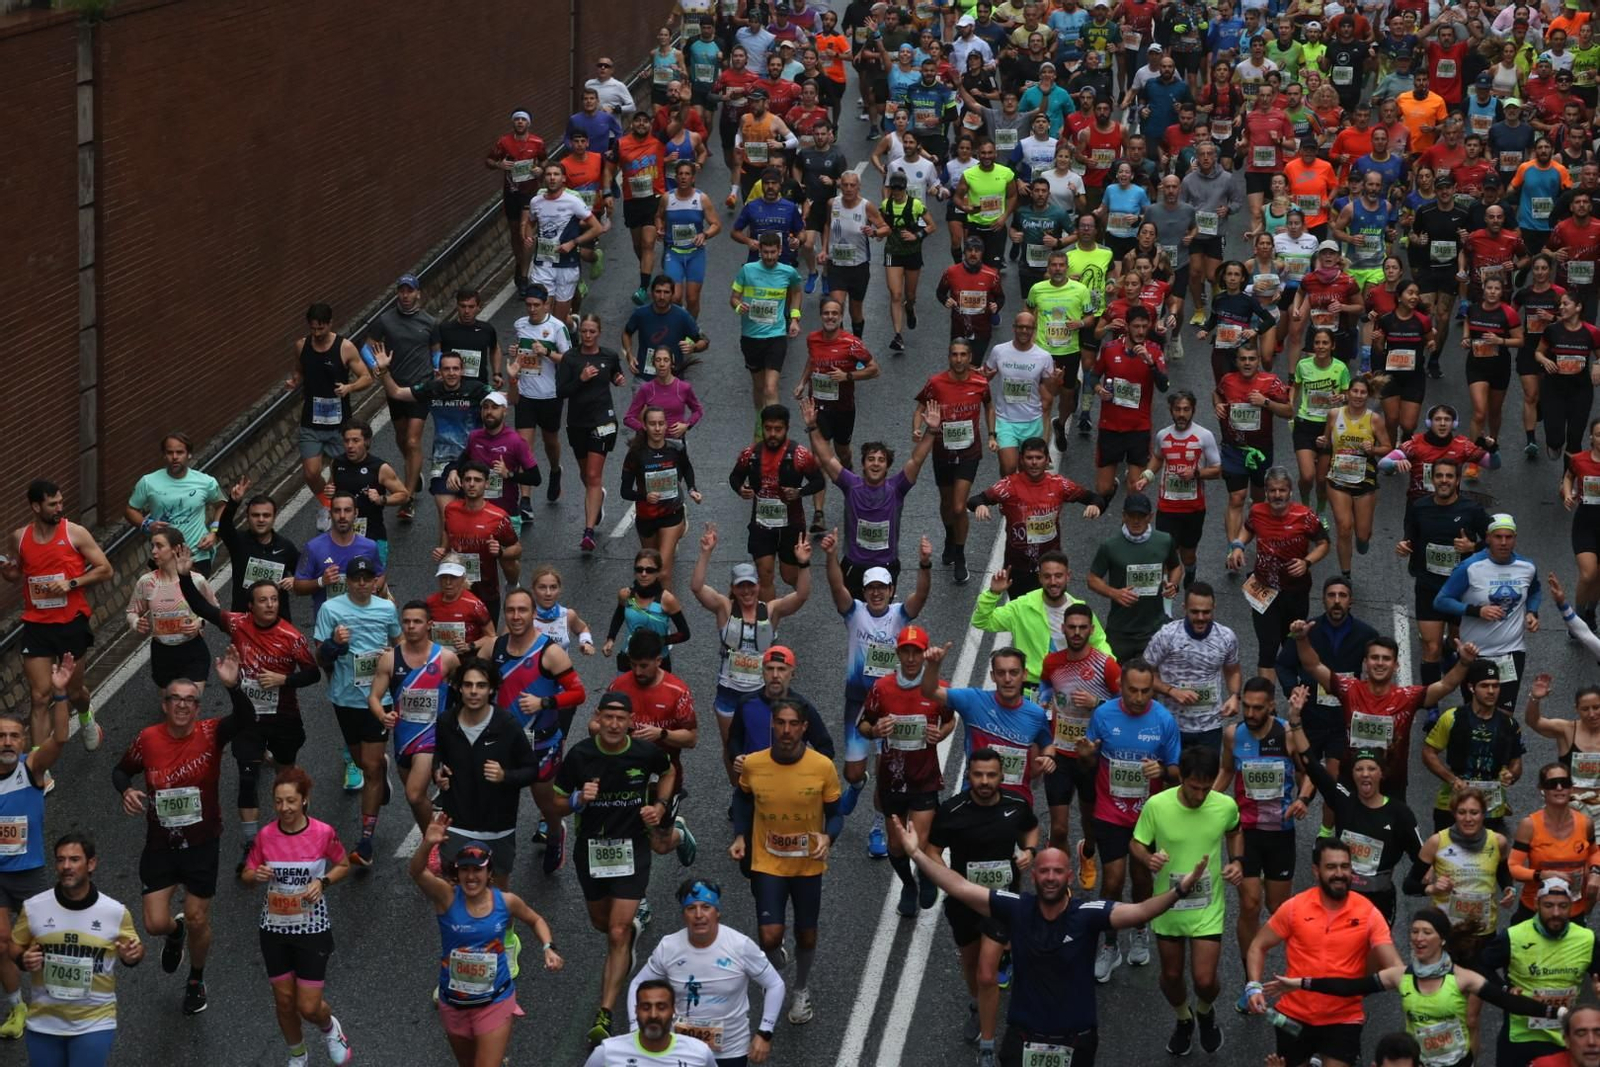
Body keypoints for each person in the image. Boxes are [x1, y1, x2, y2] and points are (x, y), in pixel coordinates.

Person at [897, 810, 1208, 1067]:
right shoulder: (1016, 908)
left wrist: (1179, 890)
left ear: (1069, 877)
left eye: (1057, 872)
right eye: (1044, 871)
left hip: (1076, 1039)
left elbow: (1140, 911)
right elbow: (958, 886)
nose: (1050, 877)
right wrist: (915, 853)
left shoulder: (1087, 914)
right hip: (1023, 1038)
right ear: (1033, 876)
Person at [113, 646, 257, 1016]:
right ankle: (174, 934)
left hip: (202, 843)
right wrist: (125, 791)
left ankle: (196, 978)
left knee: (196, 917)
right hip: (161, 844)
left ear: (197, 707)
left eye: (189, 700)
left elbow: (246, 718)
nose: (181, 705)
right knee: (154, 923)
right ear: (164, 705)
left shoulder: (211, 733)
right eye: (174, 699)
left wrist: (233, 686)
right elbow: (120, 771)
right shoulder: (147, 739)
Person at [1264, 904, 1566, 1067]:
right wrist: (1300, 983)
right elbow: (1349, 987)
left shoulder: (1463, 978)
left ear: (1442, 939)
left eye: (1427, 932)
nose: (1418, 938)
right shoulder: (1400, 976)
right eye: (1414, 932)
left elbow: (1508, 1002)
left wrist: (1561, 1014)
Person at [550, 689, 682, 1046]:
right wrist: (577, 799)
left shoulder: (644, 752)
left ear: (630, 722)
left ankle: (604, 1014)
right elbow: (555, 803)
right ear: (598, 717)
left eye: (620, 718)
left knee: (617, 932)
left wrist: (660, 806)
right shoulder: (581, 755)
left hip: (632, 847)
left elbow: (668, 771)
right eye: (607, 717)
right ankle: (632, 929)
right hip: (591, 850)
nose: (613, 724)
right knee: (602, 923)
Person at [176, 558, 319, 875]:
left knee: (286, 777)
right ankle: (252, 844)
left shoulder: (292, 637)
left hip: (284, 719)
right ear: (250, 607)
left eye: (274, 600)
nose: (270, 605)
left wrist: (285, 679)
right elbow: (202, 608)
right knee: (247, 778)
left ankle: (294, 827)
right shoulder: (237, 624)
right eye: (263, 601)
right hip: (247, 718)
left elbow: (313, 674)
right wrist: (184, 577)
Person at [410, 813, 561, 1067]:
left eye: (477, 870)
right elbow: (415, 872)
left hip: (495, 1001)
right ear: (458, 873)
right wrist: (427, 843)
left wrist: (548, 947)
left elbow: (535, 919)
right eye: (465, 869)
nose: (471, 876)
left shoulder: (506, 901)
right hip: (454, 1002)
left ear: (489, 872)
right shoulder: (446, 897)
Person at [729, 698, 843, 1028]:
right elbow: (742, 799)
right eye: (780, 723)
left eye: (793, 724)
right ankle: (776, 972)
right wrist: (740, 836)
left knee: (806, 935)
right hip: (767, 861)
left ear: (804, 728)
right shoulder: (754, 764)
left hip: (807, 865)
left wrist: (828, 837)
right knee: (769, 937)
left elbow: (836, 814)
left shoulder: (822, 767)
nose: (786, 730)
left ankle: (801, 989)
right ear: (772, 725)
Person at [1244, 839, 1404, 1067]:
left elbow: (1394, 966)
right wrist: (1253, 986)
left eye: (1345, 866)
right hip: (1293, 1015)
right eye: (1331, 867)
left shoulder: (1368, 913)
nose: (1339, 874)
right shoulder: (1294, 907)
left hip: (1344, 1018)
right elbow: (1257, 946)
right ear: (1316, 871)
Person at [925, 748, 1042, 1061]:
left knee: (988, 974)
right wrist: (950, 879)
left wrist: (1030, 851)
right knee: (971, 962)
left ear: (1002, 776)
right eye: (978, 775)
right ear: (969, 776)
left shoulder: (1016, 805)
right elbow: (932, 850)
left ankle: (988, 1046)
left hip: (1002, 901)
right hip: (964, 901)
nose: (985, 781)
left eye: (991, 775)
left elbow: (1031, 827)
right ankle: (978, 1003)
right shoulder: (952, 810)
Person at [1074, 656, 1182, 984]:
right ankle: (1109, 944)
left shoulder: (1164, 721)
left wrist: (1162, 771)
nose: (1138, 697)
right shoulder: (1104, 715)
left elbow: (1177, 772)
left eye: (1146, 691)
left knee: (1142, 878)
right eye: (1132, 690)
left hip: (1148, 816)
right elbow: (1089, 760)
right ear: (1120, 686)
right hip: (1110, 811)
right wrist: (1086, 756)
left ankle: (1138, 928)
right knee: (1112, 879)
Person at [1130, 744, 1242, 1055]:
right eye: (1194, 787)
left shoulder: (1224, 806)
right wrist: (1148, 858)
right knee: (1170, 976)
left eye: (1206, 788)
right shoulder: (1157, 805)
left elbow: (1235, 831)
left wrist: (1237, 861)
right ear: (1182, 778)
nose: (1200, 795)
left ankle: (1205, 1011)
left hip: (1207, 906)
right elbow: (1137, 843)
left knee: (1205, 980)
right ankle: (1183, 1018)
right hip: (1168, 904)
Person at [825, 530, 932, 852]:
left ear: (891, 590)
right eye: (871, 588)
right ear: (864, 591)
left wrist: (925, 564)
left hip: (891, 703)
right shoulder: (854, 612)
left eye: (882, 588)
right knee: (852, 771)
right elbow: (836, 587)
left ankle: (876, 829)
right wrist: (830, 556)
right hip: (858, 702)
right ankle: (858, 785)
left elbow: (921, 596)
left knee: (887, 772)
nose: (876, 593)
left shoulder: (900, 614)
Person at [238, 768, 353, 1067]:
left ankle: (330, 1028)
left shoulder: (323, 833)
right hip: (274, 928)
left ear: (304, 800)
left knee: (309, 1006)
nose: (284, 808)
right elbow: (247, 874)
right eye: (278, 801)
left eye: (291, 800)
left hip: (312, 927)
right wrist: (256, 874)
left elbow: (343, 864)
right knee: (285, 1001)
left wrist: (323, 882)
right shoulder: (266, 836)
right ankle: (297, 1054)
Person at [474, 588, 586, 876]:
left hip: (542, 742)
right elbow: (471, 680)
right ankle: (494, 854)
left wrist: (544, 702)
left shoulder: (551, 653)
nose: (516, 616)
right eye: (510, 610)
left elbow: (578, 693)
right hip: (503, 742)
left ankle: (555, 833)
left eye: (522, 610)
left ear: (533, 614)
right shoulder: (493, 648)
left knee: (545, 801)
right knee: (496, 796)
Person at [8, 833, 142, 1067]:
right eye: (61, 860)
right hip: (44, 1021)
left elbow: (136, 950)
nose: (66, 866)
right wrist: (22, 958)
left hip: (94, 1020)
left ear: (91, 864)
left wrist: (133, 955)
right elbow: (13, 945)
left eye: (74, 859)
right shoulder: (34, 908)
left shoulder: (115, 912)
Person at [4, 480, 110, 764]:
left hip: (70, 623)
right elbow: (15, 575)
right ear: (35, 506)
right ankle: (38, 766)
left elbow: (105, 569)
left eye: (60, 502)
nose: (59, 508)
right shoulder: (19, 538)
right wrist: (7, 571)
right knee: (40, 696)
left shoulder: (74, 533)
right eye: (52, 504)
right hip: (36, 625)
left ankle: (86, 716)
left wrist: (71, 583)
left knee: (74, 692)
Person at [1217, 678, 1307, 1012]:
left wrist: (1303, 799)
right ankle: (1251, 982)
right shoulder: (1232, 735)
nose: (1251, 713)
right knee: (1250, 904)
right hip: (1246, 832)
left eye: (1258, 708)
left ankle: (1294, 976)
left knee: (1278, 907)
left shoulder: (1287, 734)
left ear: (1271, 706)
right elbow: (1226, 771)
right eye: (1247, 707)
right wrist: (1203, 802)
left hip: (1281, 832)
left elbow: (1307, 773)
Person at [626, 879, 785, 1066]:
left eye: (706, 907)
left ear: (717, 912)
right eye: (691, 908)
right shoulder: (668, 947)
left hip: (730, 1050)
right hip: (681, 1048)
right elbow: (638, 984)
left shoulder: (740, 946)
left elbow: (775, 984)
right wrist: (635, 1027)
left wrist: (765, 1032)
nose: (699, 915)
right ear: (683, 915)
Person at [0, 658, 72, 1041]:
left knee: (46, 944)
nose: (7, 742)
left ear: (24, 741)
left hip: (29, 873)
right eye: (1, 736)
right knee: (1, 943)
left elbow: (59, 739)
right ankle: (17, 1008)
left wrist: (59, 694)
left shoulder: (31, 768)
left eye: (14, 736)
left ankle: (57, 1002)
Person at [800, 395, 935, 596]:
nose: (875, 463)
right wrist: (812, 426)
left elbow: (916, 460)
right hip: (854, 565)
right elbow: (827, 458)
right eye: (871, 459)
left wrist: (931, 431)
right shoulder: (851, 485)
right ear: (863, 464)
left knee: (882, 613)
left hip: (886, 566)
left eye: (881, 460)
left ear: (887, 467)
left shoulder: (897, 488)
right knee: (851, 612)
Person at [1476, 877, 1600, 1067]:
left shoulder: (1586, 939)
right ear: (1536, 904)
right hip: (1521, 1037)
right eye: (1548, 905)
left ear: (1571, 906)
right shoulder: (1514, 936)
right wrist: (1504, 989)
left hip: (1563, 1037)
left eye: (1563, 906)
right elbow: (1481, 966)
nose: (1556, 913)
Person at [1395, 457, 1491, 705]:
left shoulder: (1471, 510)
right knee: (1431, 647)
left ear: (1457, 480)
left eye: (1449, 476)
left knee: (1457, 643)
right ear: (1432, 479)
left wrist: (1473, 547)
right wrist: (1405, 545)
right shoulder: (1419, 507)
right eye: (1439, 476)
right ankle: (1431, 705)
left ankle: (1452, 656)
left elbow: (1497, 539)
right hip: (1429, 585)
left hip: (1462, 589)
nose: (1444, 481)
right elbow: (1410, 535)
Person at [1226, 466, 1331, 683]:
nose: (1277, 495)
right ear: (1266, 491)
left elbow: (1324, 543)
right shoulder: (1257, 512)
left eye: (1282, 490)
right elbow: (1248, 529)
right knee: (1267, 648)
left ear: (1290, 491)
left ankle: (1295, 693)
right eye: (1272, 490)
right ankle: (1266, 700)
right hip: (1264, 588)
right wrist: (1238, 546)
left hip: (1296, 591)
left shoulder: (1305, 516)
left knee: (1292, 647)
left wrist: (1307, 562)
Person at [968, 436, 1105, 597]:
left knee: (1051, 609)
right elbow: (975, 500)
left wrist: (1095, 505)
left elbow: (1095, 498)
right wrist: (980, 505)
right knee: (1020, 609)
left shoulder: (1059, 485)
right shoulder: (1009, 485)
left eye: (1039, 458)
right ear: (1021, 460)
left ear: (1047, 460)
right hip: (1018, 565)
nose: (1034, 462)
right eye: (1029, 458)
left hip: (1050, 566)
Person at [366, 602, 460, 835]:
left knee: (414, 794)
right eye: (406, 621)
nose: (410, 626)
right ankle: (432, 840)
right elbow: (374, 697)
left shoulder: (447, 658)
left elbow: (465, 694)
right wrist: (382, 715)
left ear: (429, 625)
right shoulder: (390, 659)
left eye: (417, 621)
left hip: (431, 737)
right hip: (403, 738)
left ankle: (436, 839)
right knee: (415, 800)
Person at [1434, 513, 1542, 712]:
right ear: (1488, 538)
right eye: (1498, 537)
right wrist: (1477, 611)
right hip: (1475, 653)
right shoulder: (1470, 567)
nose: (1504, 542)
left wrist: (1532, 612)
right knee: (1477, 714)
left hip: (1511, 652)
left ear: (1515, 538)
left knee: (1504, 715)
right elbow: (1441, 601)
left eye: (1509, 537)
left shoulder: (1527, 567)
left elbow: (1534, 590)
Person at [793, 302, 881, 535]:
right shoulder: (812, 339)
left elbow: (874, 369)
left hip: (843, 409)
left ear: (841, 317)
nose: (830, 317)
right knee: (819, 459)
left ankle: (850, 479)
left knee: (842, 453)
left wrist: (848, 376)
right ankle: (818, 513)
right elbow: (812, 360)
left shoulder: (852, 343)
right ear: (821, 316)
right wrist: (802, 383)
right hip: (817, 408)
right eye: (826, 313)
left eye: (834, 313)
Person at [971, 551, 1113, 688]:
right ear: (1039, 577)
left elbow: (1099, 643)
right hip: (1031, 688)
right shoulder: (1022, 607)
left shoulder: (1080, 611)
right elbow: (982, 621)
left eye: (1058, 576)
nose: (1053, 582)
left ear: (1068, 576)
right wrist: (993, 593)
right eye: (1047, 576)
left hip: (1070, 688)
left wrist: (1109, 671)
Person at [729, 404, 825, 602]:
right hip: (761, 524)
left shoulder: (800, 455)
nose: (772, 434)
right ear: (763, 428)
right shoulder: (750, 454)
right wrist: (740, 489)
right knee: (765, 574)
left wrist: (799, 492)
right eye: (768, 428)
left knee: (789, 576)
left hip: (791, 524)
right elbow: (735, 477)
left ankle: (800, 586)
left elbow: (819, 481)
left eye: (778, 429)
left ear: (786, 428)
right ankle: (769, 618)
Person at [915, 340, 991, 583]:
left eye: (963, 355)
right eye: (954, 355)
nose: (959, 359)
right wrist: (917, 428)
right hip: (943, 452)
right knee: (947, 503)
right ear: (949, 357)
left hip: (969, 452)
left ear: (970, 357)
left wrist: (992, 434)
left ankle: (960, 554)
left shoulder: (980, 382)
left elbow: (989, 405)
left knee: (959, 507)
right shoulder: (936, 383)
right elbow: (921, 407)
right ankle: (950, 536)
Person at [287, 304, 371, 520]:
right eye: (313, 329)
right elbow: (299, 370)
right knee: (311, 473)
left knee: (341, 473)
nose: (317, 333)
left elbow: (366, 377)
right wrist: (295, 381)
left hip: (339, 424)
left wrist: (349, 387)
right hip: (311, 421)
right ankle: (327, 505)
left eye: (321, 329)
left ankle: (341, 509)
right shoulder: (301, 346)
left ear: (330, 323)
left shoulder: (345, 347)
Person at [1421, 660, 1526, 832]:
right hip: (1451, 805)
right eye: (1484, 686)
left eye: (1495, 686)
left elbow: (1516, 762)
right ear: (1471, 688)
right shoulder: (1452, 717)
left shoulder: (1509, 724)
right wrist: (1452, 779)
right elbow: (1428, 752)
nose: (1491, 691)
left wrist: (1511, 775)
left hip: (1491, 809)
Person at [365, 275, 438, 521]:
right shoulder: (385, 320)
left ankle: (407, 498)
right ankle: (413, 470)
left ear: (418, 293)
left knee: (413, 440)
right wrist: (375, 366)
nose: (405, 295)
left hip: (421, 387)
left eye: (410, 291)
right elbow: (367, 346)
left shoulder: (429, 322)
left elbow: (436, 351)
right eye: (402, 291)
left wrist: (438, 369)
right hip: (395, 387)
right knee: (401, 437)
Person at [556, 314, 628, 553]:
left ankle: (588, 532)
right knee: (586, 474)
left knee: (593, 474)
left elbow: (615, 373)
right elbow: (561, 391)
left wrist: (618, 378)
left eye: (592, 331)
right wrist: (581, 379)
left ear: (599, 332)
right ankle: (598, 498)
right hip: (578, 422)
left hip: (603, 421)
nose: (587, 335)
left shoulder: (609, 356)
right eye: (584, 331)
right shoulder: (570, 358)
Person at [1144, 583, 1243, 749]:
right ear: (1184, 608)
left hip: (1211, 726)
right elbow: (1143, 674)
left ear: (1214, 608)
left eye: (1206, 612)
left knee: (1208, 767)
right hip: (1172, 725)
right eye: (1195, 612)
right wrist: (1171, 691)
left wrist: (1234, 696)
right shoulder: (1167, 635)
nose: (1201, 617)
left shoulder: (1226, 637)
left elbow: (1233, 671)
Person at [1086, 492, 1182, 664]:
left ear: (1150, 517)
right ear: (1124, 516)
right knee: (1114, 676)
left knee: (1150, 677)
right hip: (1120, 629)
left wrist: (1173, 584)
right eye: (1131, 516)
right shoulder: (1110, 546)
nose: (1136, 521)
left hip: (1153, 627)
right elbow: (1092, 579)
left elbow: (1175, 566)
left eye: (1141, 516)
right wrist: (1114, 593)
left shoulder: (1164, 541)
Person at [127, 528, 215, 697]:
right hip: (162, 654)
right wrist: (136, 622)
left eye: (159, 546)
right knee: (171, 705)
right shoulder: (146, 582)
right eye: (152, 546)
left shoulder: (196, 580)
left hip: (192, 650)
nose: (154, 551)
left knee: (189, 701)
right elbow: (132, 612)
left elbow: (214, 610)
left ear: (176, 549)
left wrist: (199, 622)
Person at [619, 411, 702, 590]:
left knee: (663, 572)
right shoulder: (636, 454)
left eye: (661, 423)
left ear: (666, 425)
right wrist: (644, 496)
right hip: (646, 517)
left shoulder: (676, 448)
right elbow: (624, 491)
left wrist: (692, 489)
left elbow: (687, 469)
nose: (657, 428)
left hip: (671, 513)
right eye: (652, 424)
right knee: (651, 572)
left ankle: (666, 608)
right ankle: (652, 604)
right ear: (645, 426)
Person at [510, 284, 574, 512]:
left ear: (546, 304)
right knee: (523, 446)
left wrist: (546, 352)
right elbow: (520, 354)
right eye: (528, 305)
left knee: (550, 442)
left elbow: (570, 360)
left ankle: (555, 470)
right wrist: (515, 353)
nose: (532, 309)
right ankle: (525, 501)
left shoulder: (557, 328)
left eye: (536, 305)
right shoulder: (520, 325)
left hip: (549, 395)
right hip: (526, 395)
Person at [1509, 762, 1599, 924]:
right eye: (1552, 784)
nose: (1559, 788)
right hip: (1534, 910)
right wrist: (1541, 875)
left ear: (1571, 788)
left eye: (1564, 783)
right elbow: (1513, 867)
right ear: (1542, 789)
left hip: (1573, 909)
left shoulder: (1585, 823)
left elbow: (1594, 853)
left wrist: (1595, 873)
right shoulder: (1529, 825)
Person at [126, 433, 226, 577]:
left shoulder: (206, 482)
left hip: (197, 556)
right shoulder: (148, 482)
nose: (174, 457)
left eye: (179, 452)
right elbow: (130, 510)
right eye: (169, 452)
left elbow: (222, 505)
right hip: (162, 559)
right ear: (164, 455)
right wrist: (146, 525)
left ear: (189, 454)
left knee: (195, 592)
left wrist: (214, 533)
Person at [731, 232, 805, 414]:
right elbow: (733, 298)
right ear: (760, 251)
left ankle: (774, 426)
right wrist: (739, 307)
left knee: (770, 387)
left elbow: (796, 292)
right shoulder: (747, 270)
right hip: (750, 336)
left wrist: (794, 319)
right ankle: (759, 422)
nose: (769, 257)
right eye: (765, 252)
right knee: (759, 386)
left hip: (776, 336)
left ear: (780, 251)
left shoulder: (788, 272)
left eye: (773, 252)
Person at [325, 418, 407, 573]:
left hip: (372, 535)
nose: (350, 446)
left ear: (366, 442)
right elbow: (332, 488)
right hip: (341, 534)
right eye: (346, 441)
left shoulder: (380, 468)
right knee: (342, 579)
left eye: (355, 441)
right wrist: (329, 492)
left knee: (374, 580)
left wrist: (382, 499)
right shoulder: (337, 463)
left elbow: (403, 495)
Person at [588, 980, 718, 1067]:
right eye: (646, 1007)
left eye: (661, 1007)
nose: (653, 1015)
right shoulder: (606, 1052)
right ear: (636, 1011)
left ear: (673, 1010)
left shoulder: (699, 1053)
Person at [487, 110, 547, 288]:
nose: (520, 122)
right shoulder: (503, 142)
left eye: (523, 119)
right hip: (511, 193)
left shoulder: (537, 142)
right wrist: (499, 164)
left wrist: (540, 169)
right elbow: (488, 160)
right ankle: (520, 264)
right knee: (515, 233)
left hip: (530, 193)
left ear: (529, 123)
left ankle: (523, 275)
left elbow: (544, 160)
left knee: (525, 232)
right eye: (517, 119)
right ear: (513, 123)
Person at [658, 161, 723, 317]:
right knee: (674, 297)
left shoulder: (701, 199)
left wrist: (705, 234)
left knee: (692, 299)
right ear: (676, 177)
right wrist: (660, 228)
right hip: (673, 253)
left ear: (693, 178)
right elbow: (659, 216)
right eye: (680, 174)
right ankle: (680, 322)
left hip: (695, 253)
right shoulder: (667, 198)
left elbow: (716, 224)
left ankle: (691, 327)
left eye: (687, 174)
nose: (683, 177)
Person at [938, 236, 1007, 360]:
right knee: (959, 364)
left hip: (982, 329)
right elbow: (940, 292)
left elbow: (1000, 297)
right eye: (969, 250)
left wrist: (996, 306)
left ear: (982, 253)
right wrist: (945, 300)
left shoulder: (991, 275)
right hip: (959, 328)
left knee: (975, 365)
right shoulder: (951, 272)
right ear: (964, 252)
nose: (973, 254)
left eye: (977, 250)